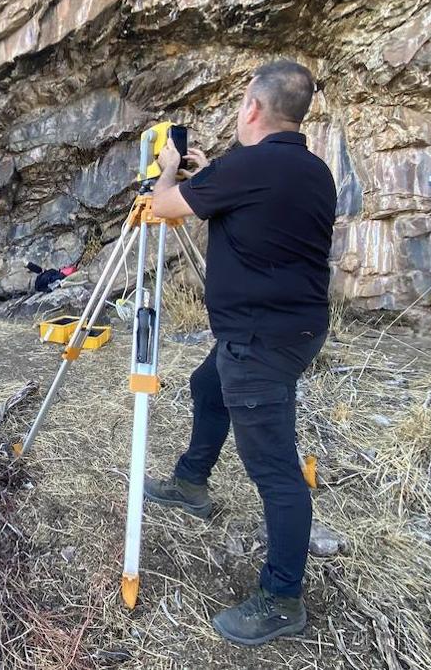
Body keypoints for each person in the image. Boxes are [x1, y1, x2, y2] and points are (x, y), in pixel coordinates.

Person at [140, 60, 338, 647]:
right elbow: (252, 203)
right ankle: (190, 482)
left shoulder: (249, 168)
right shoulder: (311, 170)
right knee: (208, 386)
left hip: (259, 341)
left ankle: (282, 598)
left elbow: (166, 207)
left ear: (252, 107)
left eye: (240, 103)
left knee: (276, 471)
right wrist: (210, 174)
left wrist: (171, 172)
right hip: (291, 333)